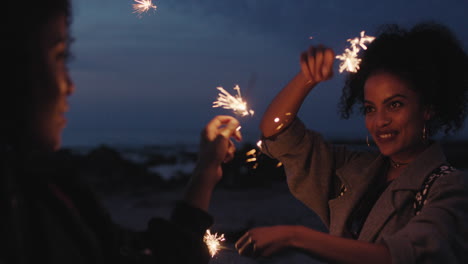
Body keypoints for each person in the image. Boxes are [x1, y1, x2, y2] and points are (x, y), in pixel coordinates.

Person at [0, 0, 241, 263]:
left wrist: (206, 170)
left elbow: (151, 255)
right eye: (59, 57)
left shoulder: (49, 190)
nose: (70, 86)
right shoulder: (30, 213)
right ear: (13, 64)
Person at [235, 22, 468, 263]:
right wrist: (307, 78)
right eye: (370, 108)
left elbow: (401, 258)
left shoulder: (450, 188)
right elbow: (277, 135)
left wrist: (295, 237)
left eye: (395, 104)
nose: (380, 121)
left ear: (428, 108)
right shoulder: (356, 169)